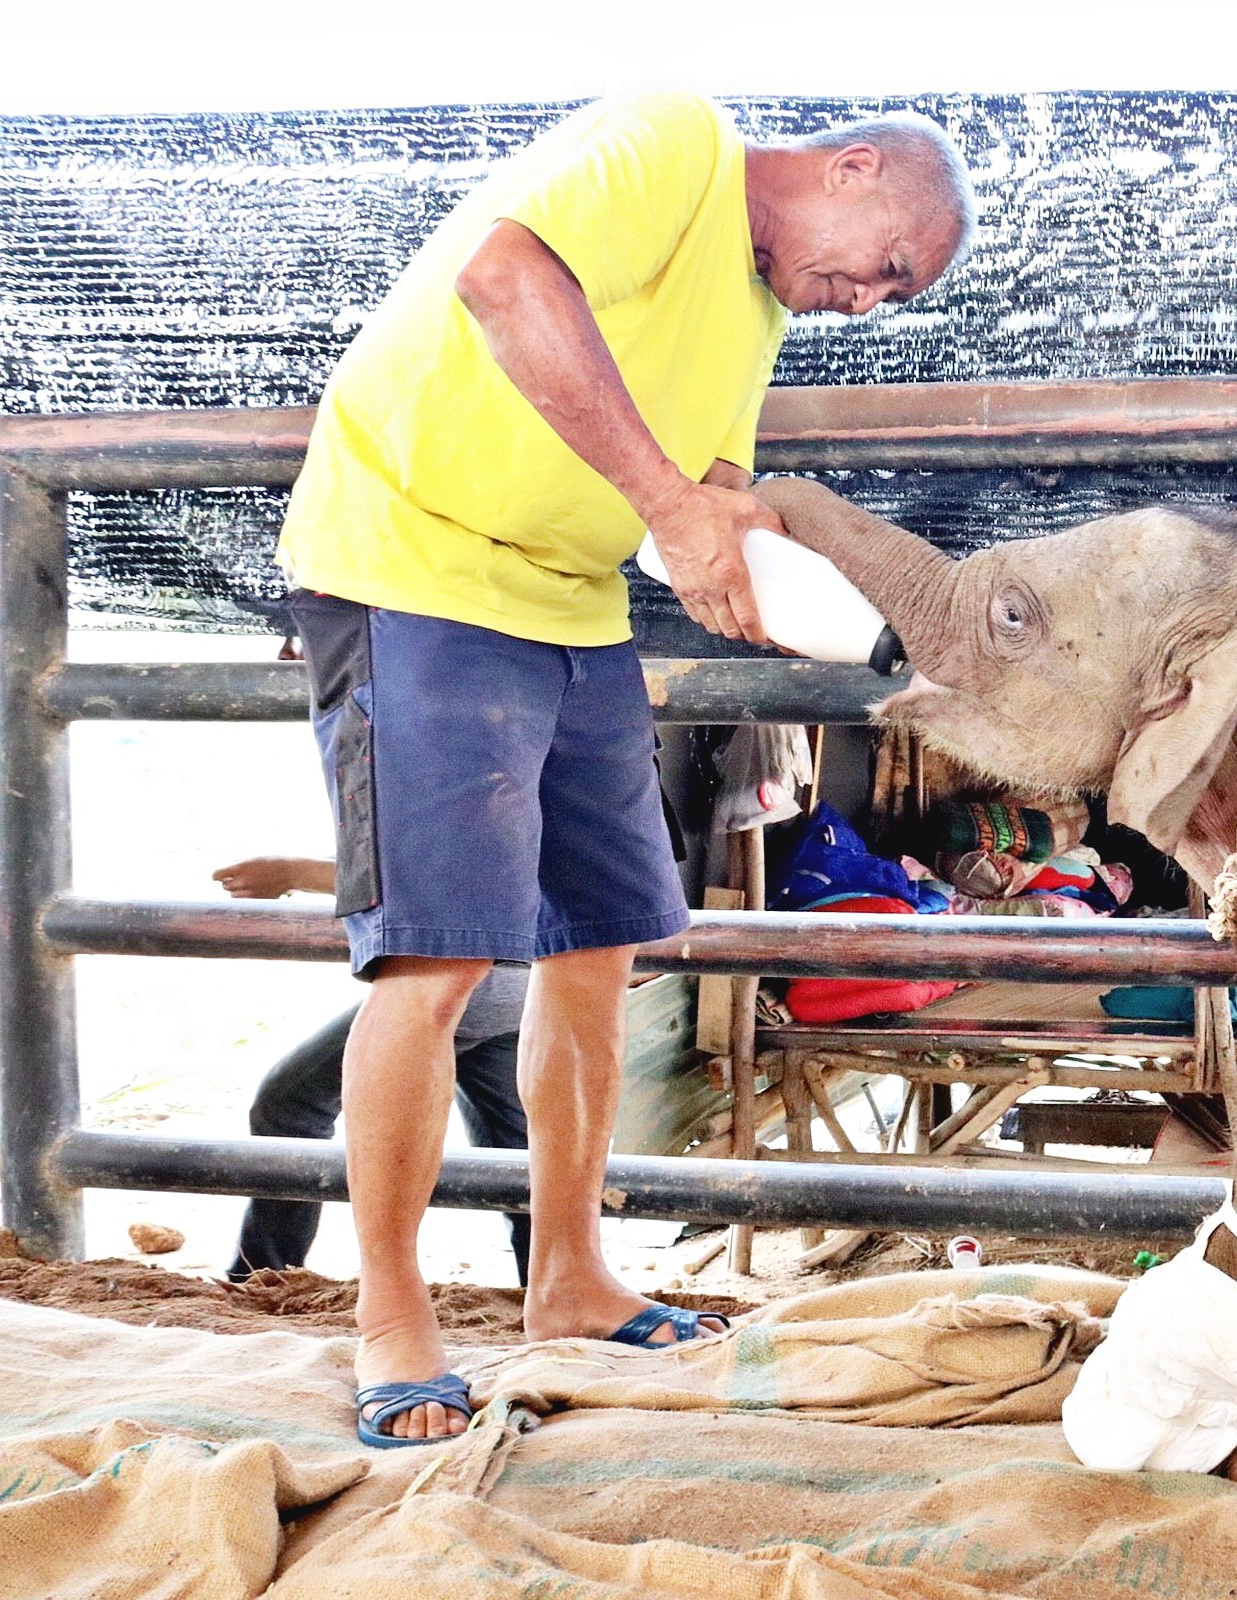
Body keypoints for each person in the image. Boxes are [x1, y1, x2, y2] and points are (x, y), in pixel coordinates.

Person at [272, 91, 974, 1446]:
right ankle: (393, 1319)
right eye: (891, 265)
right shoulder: (677, 144)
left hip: (572, 601)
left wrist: (878, 626)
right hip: (411, 571)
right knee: (435, 963)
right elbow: (504, 276)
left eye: (897, 295)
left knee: (601, 946)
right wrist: (672, 507)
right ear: (854, 166)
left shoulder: (758, 315)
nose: (873, 301)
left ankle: (571, 1275)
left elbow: (707, 506)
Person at [212, 856, 532, 1286]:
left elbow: (425, 876)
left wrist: (292, 873)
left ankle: (262, 1275)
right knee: (512, 1150)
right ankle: (547, 1281)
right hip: (518, 978)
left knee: (290, 1105)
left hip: (454, 976)